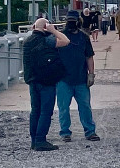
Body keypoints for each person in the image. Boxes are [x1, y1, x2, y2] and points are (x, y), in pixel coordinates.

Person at [23, 17, 69, 151]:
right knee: (45, 111)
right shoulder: (47, 40)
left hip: (32, 80)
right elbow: (66, 41)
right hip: (47, 81)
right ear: (45, 27)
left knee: (35, 111)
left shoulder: (27, 41)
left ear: (33, 27)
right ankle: (40, 140)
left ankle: (34, 140)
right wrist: (53, 30)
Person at [56, 11, 100, 143]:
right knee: (63, 108)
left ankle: (90, 131)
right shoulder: (60, 37)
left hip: (81, 78)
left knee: (85, 106)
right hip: (63, 79)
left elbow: (89, 56)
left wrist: (91, 74)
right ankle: (65, 133)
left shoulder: (84, 37)